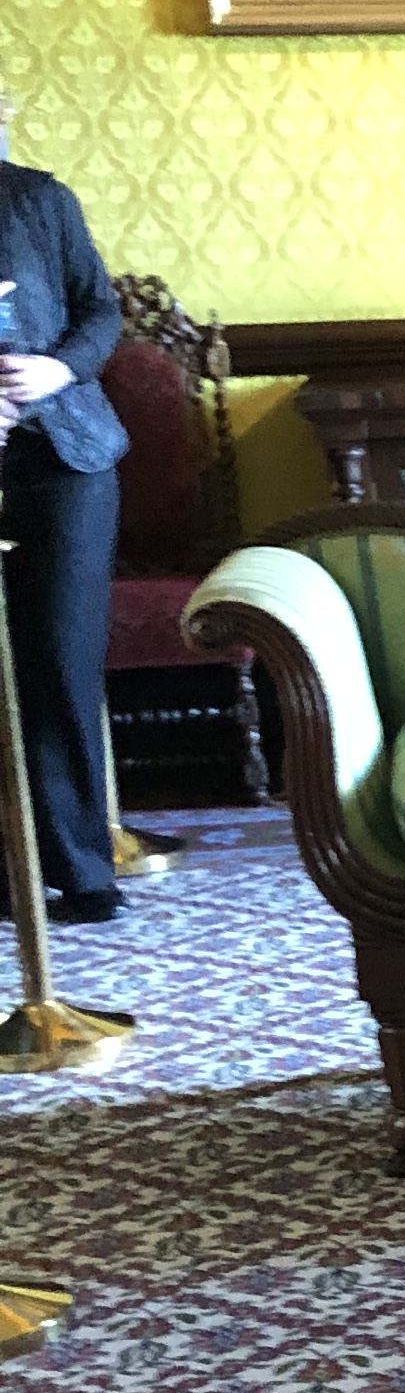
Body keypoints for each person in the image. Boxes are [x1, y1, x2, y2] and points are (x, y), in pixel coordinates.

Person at [0, 126, 129, 924]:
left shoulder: (40, 199)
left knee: (59, 658)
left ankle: (83, 871)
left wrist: (58, 367)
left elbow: (101, 311)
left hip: (64, 462)